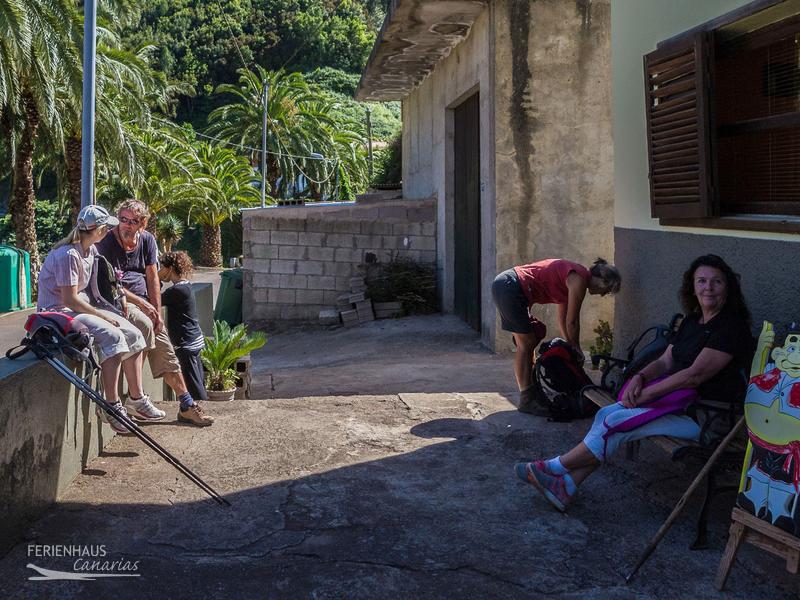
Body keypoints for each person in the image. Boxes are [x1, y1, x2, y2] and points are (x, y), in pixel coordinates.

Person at [515, 254, 753, 512]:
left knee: (616, 423)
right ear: (692, 287)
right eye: (702, 281)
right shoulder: (693, 322)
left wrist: (648, 394)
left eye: (716, 282)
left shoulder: (730, 328)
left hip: (705, 417)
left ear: (727, 287)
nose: (708, 288)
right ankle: (566, 487)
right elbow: (666, 361)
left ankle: (553, 468)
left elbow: (693, 375)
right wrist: (641, 378)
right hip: (676, 404)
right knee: (608, 413)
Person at [37, 205, 161, 433]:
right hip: (57, 312)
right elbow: (70, 300)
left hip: (80, 308)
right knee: (112, 335)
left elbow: (98, 290)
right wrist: (102, 315)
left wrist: (118, 301)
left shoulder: (91, 251)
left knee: (133, 332)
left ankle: (136, 398)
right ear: (100, 230)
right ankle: (111, 406)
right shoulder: (68, 255)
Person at [95, 199, 198, 423]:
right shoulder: (107, 243)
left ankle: (187, 403)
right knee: (142, 325)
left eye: (133, 221)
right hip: (119, 301)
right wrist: (144, 306)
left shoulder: (148, 240)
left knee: (165, 346)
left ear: (142, 223)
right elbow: (111, 284)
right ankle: (136, 397)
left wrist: (157, 311)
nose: (126, 225)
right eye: (123, 219)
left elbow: (152, 277)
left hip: (144, 303)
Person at [492, 258, 621, 413]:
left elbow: (564, 318)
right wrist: (577, 348)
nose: (603, 295)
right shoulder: (579, 280)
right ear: (602, 281)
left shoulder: (574, 276)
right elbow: (572, 322)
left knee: (535, 334)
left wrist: (570, 347)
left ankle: (531, 390)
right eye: (606, 290)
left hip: (508, 285)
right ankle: (527, 398)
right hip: (510, 287)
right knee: (525, 344)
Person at [158, 251, 214, 427]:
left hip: (186, 343)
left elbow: (155, 300)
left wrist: (154, 280)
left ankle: (196, 411)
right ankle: (185, 411)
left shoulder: (177, 290)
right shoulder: (186, 286)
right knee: (194, 379)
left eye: (161, 268)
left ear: (170, 269)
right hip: (193, 340)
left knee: (192, 384)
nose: (159, 270)